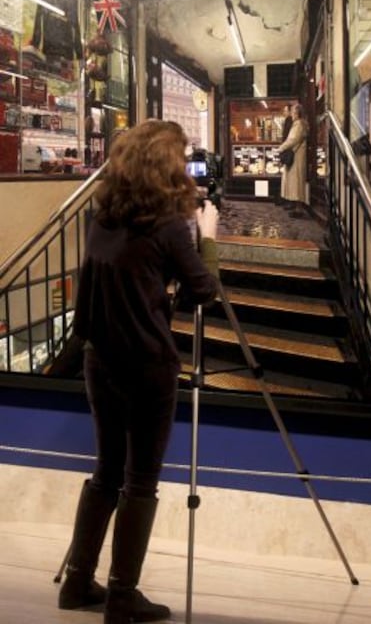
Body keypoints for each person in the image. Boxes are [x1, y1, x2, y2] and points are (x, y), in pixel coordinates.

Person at [58, 119, 219, 623]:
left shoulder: (100, 216)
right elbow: (203, 290)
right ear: (166, 165)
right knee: (141, 478)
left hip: (99, 360)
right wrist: (207, 236)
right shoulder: (171, 225)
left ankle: (79, 581)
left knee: (106, 470)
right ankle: (124, 596)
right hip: (148, 366)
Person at [278, 103, 308, 218]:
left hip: (296, 159)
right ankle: (296, 206)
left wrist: (281, 148)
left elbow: (292, 140)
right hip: (296, 157)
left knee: (296, 183)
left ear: (298, 113)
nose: (292, 114)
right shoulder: (299, 124)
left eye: (294, 112)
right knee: (296, 183)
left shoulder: (299, 124)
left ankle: (298, 209)